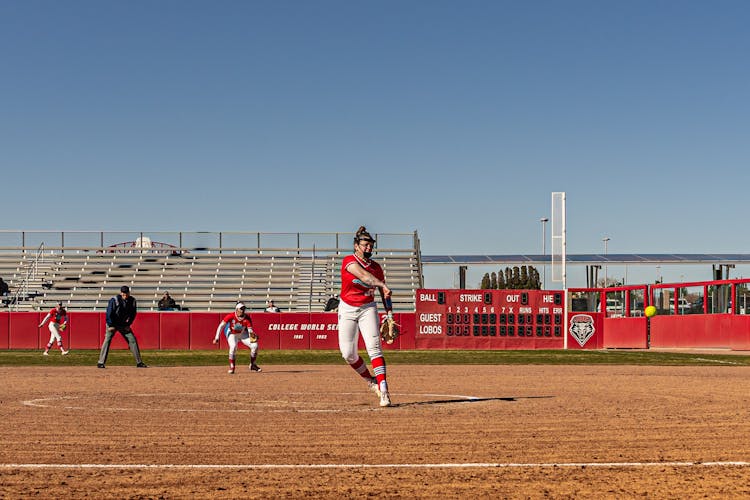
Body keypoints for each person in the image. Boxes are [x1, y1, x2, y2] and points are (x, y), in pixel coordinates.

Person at [338, 226, 394, 407]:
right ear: (356, 246)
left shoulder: (377, 267)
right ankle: (371, 381)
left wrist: (389, 313)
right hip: (347, 307)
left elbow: (384, 293)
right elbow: (364, 277)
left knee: (374, 348)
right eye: (365, 245)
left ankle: (384, 391)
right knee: (348, 354)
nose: (369, 248)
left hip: (368, 307)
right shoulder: (349, 261)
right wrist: (381, 284)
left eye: (371, 245)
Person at [97, 286, 148, 368]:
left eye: (126, 294)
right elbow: (109, 313)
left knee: (132, 340)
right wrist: (110, 325)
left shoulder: (132, 300)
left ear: (129, 293)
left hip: (123, 324)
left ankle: (139, 362)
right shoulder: (115, 300)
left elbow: (133, 314)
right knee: (107, 340)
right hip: (113, 323)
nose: (125, 295)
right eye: (123, 294)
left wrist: (128, 324)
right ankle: (101, 362)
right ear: (121, 293)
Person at [213, 302, 261, 374]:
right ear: (237, 309)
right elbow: (221, 326)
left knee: (255, 346)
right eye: (241, 309)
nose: (243, 310)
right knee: (233, 347)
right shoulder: (231, 316)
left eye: (244, 309)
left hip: (242, 334)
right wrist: (217, 337)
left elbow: (250, 330)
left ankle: (252, 365)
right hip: (232, 334)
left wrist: (254, 337)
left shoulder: (247, 318)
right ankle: (232, 367)